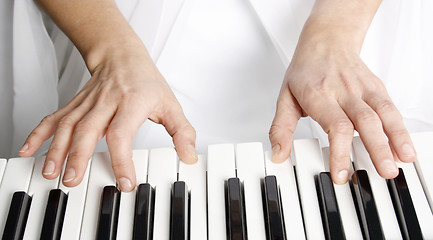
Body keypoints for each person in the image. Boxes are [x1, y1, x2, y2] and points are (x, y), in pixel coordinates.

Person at [2, 0, 431, 192]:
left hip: (341, 20)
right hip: (117, 25)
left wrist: (333, 37)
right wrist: (111, 52)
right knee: (109, 164)